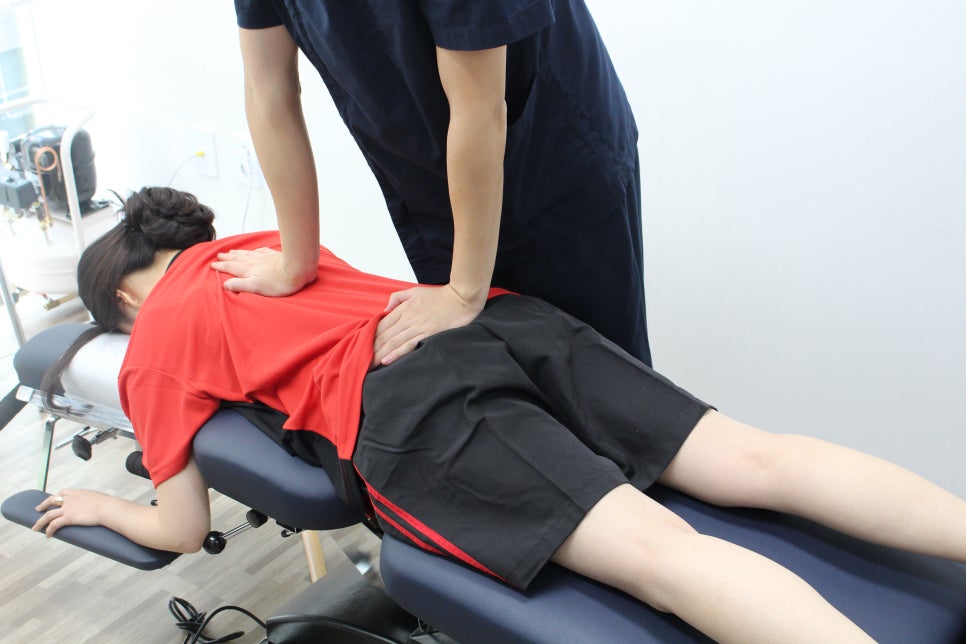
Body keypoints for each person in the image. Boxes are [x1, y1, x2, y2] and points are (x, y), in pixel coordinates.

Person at [33, 188, 966, 643]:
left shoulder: (154, 343)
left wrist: (101, 505)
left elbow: (180, 526)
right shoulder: (267, 242)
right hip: (488, 319)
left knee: (665, 559)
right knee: (760, 458)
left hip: (415, 406)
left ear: (125, 298)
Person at [217, 1, 652, 368]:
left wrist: (463, 292)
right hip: (449, 182)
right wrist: (296, 261)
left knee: (605, 388)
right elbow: (267, 90)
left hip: (556, 162)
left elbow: (480, 109)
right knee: (506, 389)